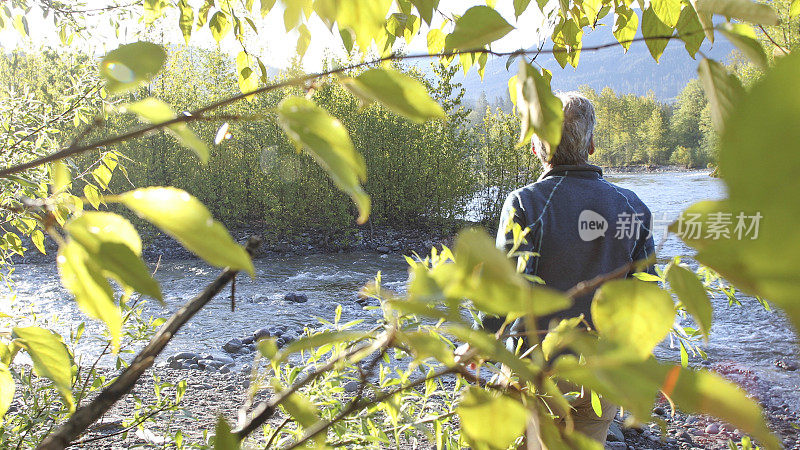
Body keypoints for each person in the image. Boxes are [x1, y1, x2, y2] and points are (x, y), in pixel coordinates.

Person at [488, 91, 656, 444]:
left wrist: (480, 344)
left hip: (534, 367)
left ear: (537, 148)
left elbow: (499, 296)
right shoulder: (633, 207)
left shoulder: (525, 203)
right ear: (592, 145)